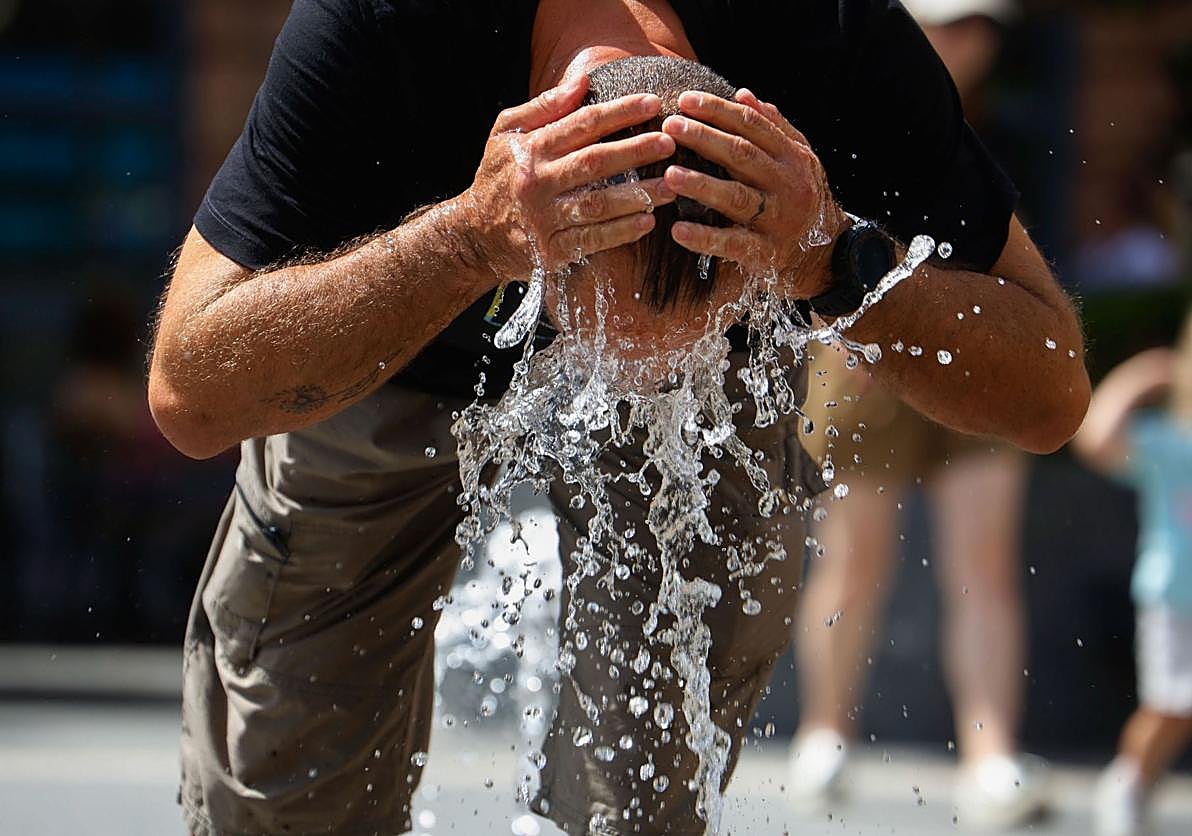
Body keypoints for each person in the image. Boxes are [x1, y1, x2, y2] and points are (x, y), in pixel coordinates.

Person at [147, 1, 1089, 833]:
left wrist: (834, 262)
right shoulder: (387, 27)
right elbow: (187, 396)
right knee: (291, 786)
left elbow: (1050, 395)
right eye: (603, 329)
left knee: (644, 795)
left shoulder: (828, 36)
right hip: (396, 339)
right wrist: (466, 239)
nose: (623, 380)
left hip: (732, 363)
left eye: (682, 336)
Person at [786, 0, 1049, 828]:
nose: (966, 41)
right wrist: (852, 336)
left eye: (980, 27)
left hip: (983, 360)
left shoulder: (1015, 129)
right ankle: (825, 732)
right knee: (853, 559)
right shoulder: (850, 105)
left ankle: (990, 750)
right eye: (950, 22)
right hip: (860, 361)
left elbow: (1039, 268)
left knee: (986, 565)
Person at [1072, 314, 1192, 836]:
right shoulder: (1170, 444)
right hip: (1175, 602)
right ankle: (1129, 782)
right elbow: (1095, 437)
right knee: (1171, 707)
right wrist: (1147, 372)